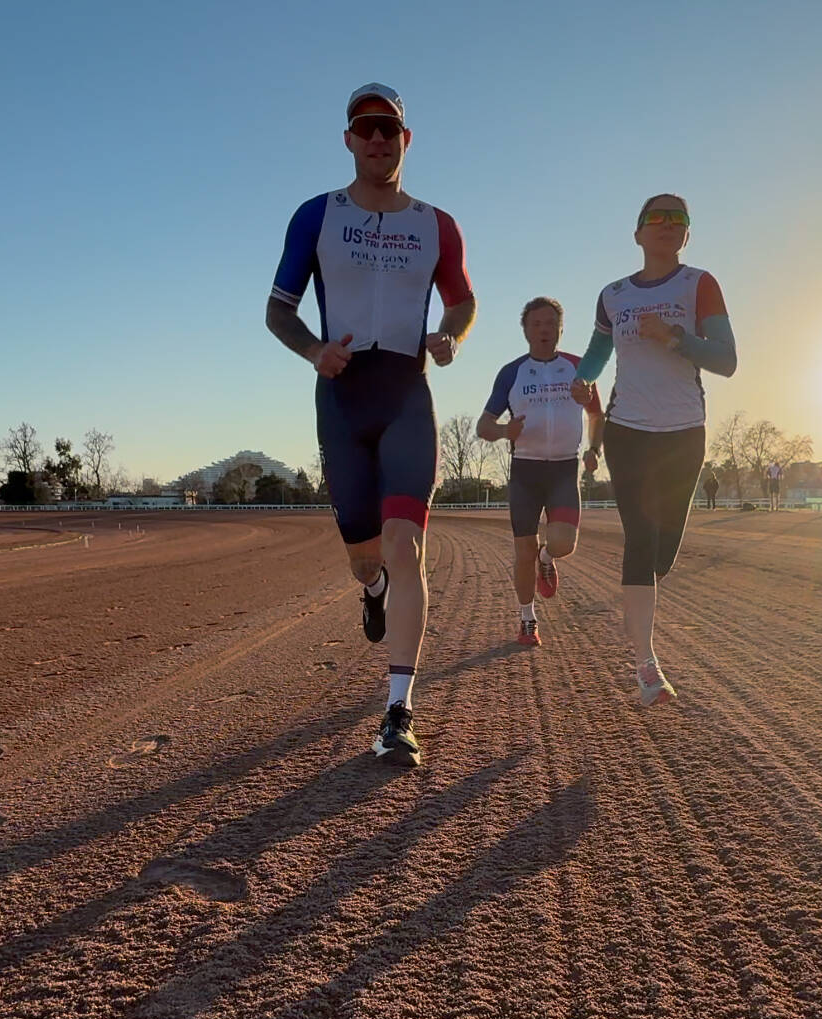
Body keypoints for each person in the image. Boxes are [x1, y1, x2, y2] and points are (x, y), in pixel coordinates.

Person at [266, 83, 476, 766]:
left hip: (408, 396)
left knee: (405, 544)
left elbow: (463, 301)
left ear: (406, 140)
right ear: (350, 140)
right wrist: (312, 350)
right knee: (367, 559)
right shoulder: (314, 217)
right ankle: (374, 589)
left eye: (390, 129)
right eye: (366, 129)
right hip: (343, 397)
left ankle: (398, 711)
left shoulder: (436, 224)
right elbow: (278, 310)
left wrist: (451, 335)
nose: (379, 140)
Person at [570, 194, 736, 705]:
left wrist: (675, 337)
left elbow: (727, 360)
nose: (667, 225)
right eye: (656, 219)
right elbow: (599, 352)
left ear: (687, 235)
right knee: (640, 539)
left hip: (684, 432)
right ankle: (647, 665)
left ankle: (644, 620)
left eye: (678, 219)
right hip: (627, 431)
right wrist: (582, 381)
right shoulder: (612, 295)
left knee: (662, 552)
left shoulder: (699, 284)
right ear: (638, 233)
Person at [477, 298, 601, 647]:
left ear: (561, 329)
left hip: (564, 468)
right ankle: (527, 619)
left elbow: (596, 415)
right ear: (525, 330)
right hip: (525, 472)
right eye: (536, 324)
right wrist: (504, 432)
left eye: (550, 323)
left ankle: (548, 559)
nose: (544, 330)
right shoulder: (511, 372)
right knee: (522, 551)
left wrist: (594, 449)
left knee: (563, 543)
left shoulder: (579, 368)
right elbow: (483, 426)